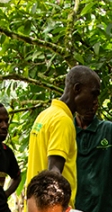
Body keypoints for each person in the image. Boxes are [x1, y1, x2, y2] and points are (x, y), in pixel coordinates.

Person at [27, 65, 100, 195]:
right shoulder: (63, 121)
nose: (95, 101)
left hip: (35, 207)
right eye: (93, 94)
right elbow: (53, 174)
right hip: (52, 210)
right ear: (77, 89)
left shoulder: (45, 115)